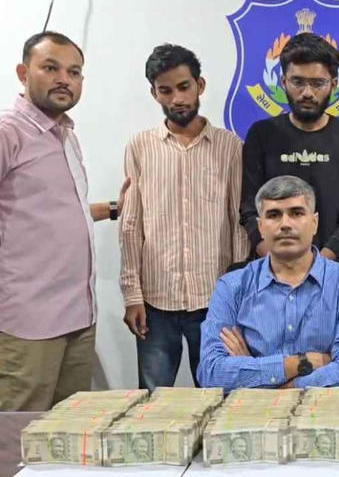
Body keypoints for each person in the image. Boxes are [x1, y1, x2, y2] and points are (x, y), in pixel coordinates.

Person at [0, 31, 128, 411]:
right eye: (50, 68)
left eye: (73, 72)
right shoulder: (9, 133)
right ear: (23, 72)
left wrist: (114, 208)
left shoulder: (65, 136)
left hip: (78, 317)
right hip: (27, 324)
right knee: (18, 434)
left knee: (67, 430)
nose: (63, 79)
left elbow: (52, 212)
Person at [120, 44, 248, 391]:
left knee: (220, 396)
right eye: (166, 90)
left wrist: (237, 295)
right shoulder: (140, 147)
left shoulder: (230, 147)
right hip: (155, 301)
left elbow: (238, 224)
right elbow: (131, 224)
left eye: (184, 87)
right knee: (152, 399)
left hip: (214, 301)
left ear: (200, 85)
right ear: (154, 93)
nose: (177, 98)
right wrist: (132, 294)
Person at [197, 175, 339, 391]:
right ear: (260, 227)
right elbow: (211, 373)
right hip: (249, 411)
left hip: (323, 409)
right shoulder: (232, 286)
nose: (285, 224)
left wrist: (259, 376)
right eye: (274, 215)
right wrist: (300, 363)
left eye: (296, 213)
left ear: (314, 223)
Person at [239, 32, 339, 264]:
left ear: (333, 84)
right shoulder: (261, 134)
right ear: (283, 82)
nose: (307, 93)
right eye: (298, 82)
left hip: (332, 264)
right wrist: (275, 258)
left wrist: (321, 261)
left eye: (318, 83)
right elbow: (249, 208)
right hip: (271, 266)